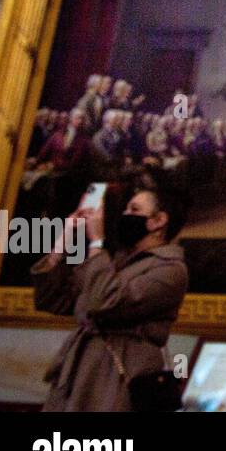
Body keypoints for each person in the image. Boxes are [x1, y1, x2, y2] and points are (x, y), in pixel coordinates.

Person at [30, 173, 191, 411]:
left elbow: (104, 301)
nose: (125, 215)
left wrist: (96, 242)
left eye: (134, 210)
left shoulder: (171, 270)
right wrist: (63, 239)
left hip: (114, 378)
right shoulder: (116, 262)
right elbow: (53, 299)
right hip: (79, 372)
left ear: (158, 221)